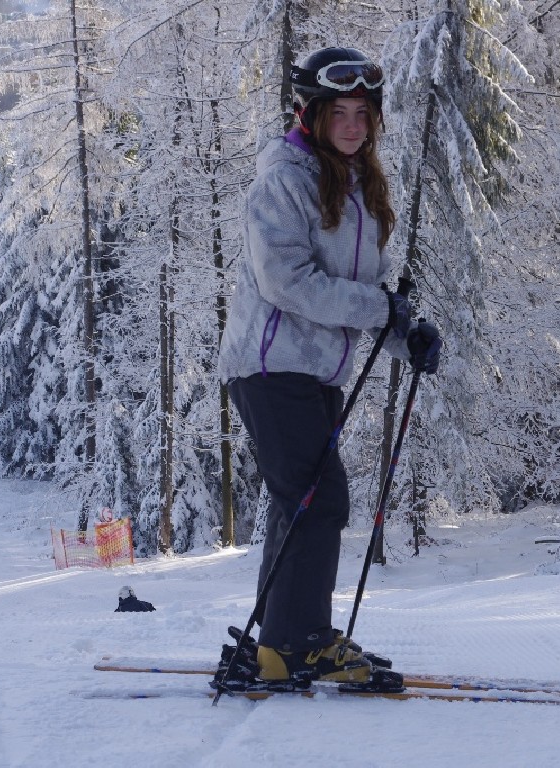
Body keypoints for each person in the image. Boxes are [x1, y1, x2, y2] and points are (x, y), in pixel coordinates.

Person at [217, 47, 442, 686]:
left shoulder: (361, 190)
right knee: (318, 502)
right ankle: (299, 641)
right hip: (270, 365)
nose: (352, 125)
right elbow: (286, 281)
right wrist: (381, 309)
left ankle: (278, 644)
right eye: (338, 112)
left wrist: (405, 336)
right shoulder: (284, 182)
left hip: (316, 373)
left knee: (301, 504)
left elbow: (365, 297)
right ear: (310, 115)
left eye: (362, 113)